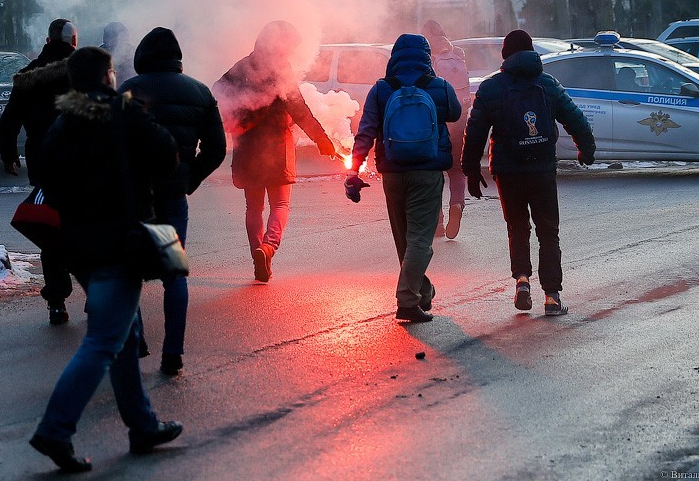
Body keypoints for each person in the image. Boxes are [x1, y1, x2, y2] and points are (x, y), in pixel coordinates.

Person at [30, 46, 182, 473]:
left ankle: (143, 425)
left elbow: (50, 183)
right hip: (121, 243)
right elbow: (166, 155)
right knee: (102, 341)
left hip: (80, 247)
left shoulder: (62, 123)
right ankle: (55, 430)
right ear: (108, 76)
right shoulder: (123, 113)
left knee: (126, 337)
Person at [461, 29, 595, 316]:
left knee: (518, 228)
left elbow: (475, 131)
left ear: (505, 55)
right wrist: (586, 148)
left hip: (507, 171)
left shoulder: (491, 87)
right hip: (542, 168)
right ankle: (552, 296)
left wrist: (470, 169)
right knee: (548, 232)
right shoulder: (547, 84)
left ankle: (522, 282)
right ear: (532, 51)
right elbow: (575, 117)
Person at [118, 27, 226, 376]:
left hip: (134, 198)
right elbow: (216, 149)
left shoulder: (128, 91)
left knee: (128, 270)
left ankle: (137, 342)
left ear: (143, 58)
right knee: (173, 273)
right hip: (172, 198)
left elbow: (111, 144)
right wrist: (188, 179)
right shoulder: (199, 92)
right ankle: (173, 354)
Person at [344, 33, 461, 323]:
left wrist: (353, 170)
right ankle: (407, 301)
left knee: (405, 241)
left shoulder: (382, 90)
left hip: (393, 174)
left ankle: (422, 291)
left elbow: (366, 131)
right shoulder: (440, 87)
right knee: (420, 239)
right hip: (428, 172)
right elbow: (456, 113)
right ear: (427, 57)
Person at [213, 20, 338, 282]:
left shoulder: (242, 66)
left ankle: (256, 254)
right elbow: (299, 109)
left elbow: (218, 92)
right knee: (280, 204)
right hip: (276, 148)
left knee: (253, 207)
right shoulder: (281, 70)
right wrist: (322, 140)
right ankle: (268, 247)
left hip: (246, 145)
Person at [0, 18, 78, 325]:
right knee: (87, 223)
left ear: (47, 40)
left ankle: (56, 300)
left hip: (43, 158)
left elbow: (10, 119)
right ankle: (94, 296)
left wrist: (8, 154)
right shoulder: (84, 68)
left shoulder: (31, 73)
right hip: (82, 157)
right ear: (73, 41)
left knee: (51, 226)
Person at [421, 19, 470, 240]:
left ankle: (438, 222)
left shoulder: (429, 59)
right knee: (457, 169)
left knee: (434, 171)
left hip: (436, 122)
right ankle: (457, 204)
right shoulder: (457, 56)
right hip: (459, 119)